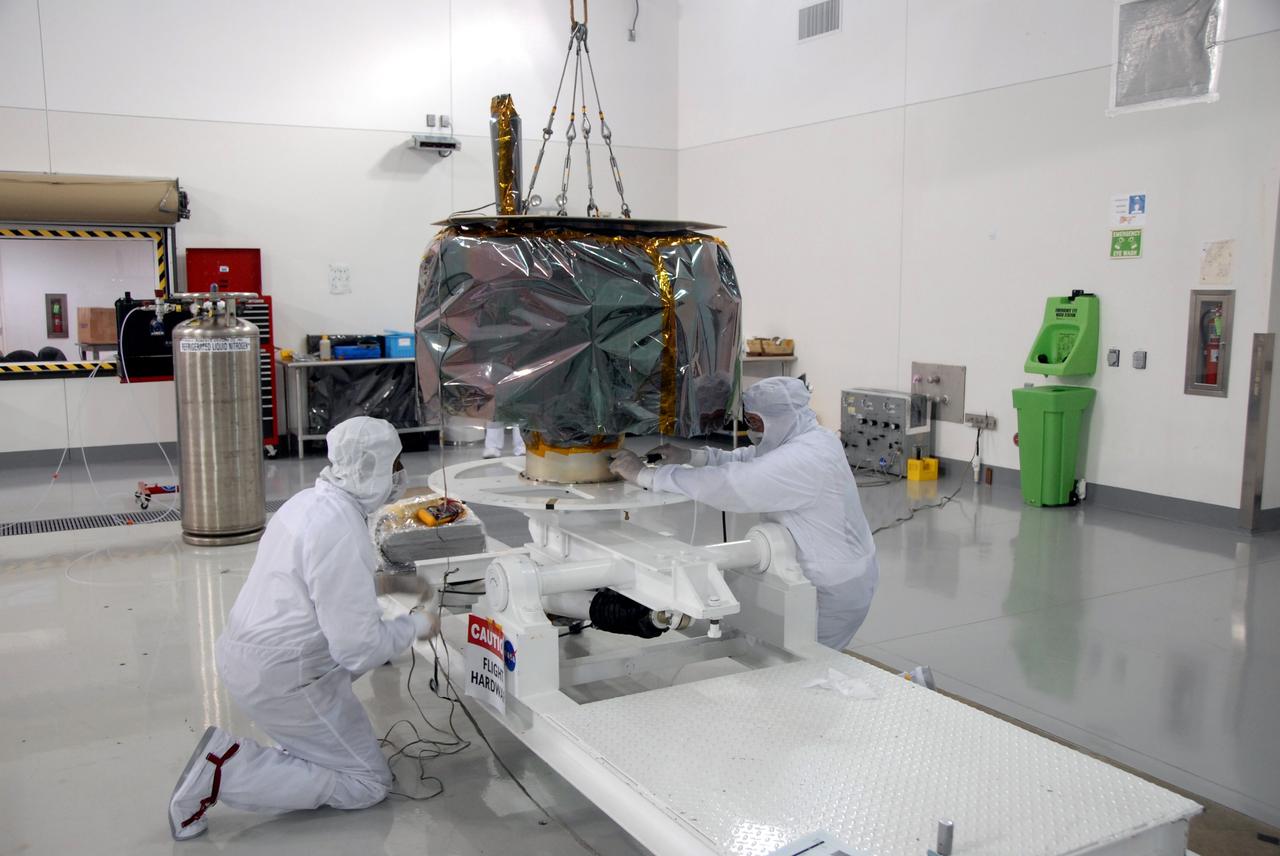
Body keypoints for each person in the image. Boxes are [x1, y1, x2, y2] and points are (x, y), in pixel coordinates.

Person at [168, 416, 438, 841]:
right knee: (367, 783)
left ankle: (299, 749)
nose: (399, 476)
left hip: (251, 656)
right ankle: (224, 768)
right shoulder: (339, 529)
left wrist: (392, 585)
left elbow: (319, 586)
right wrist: (416, 625)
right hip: (286, 678)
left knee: (344, 689)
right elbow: (358, 650)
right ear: (371, 467)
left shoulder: (310, 503)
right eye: (395, 464)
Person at [609, 377, 878, 651]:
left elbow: (734, 483)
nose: (751, 430)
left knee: (813, 658)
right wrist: (692, 457)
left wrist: (648, 476)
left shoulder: (806, 458)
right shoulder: (807, 436)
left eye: (755, 422)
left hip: (835, 585)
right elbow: (750, 457)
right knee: (793, 653)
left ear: (778, 417)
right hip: (833, 570)